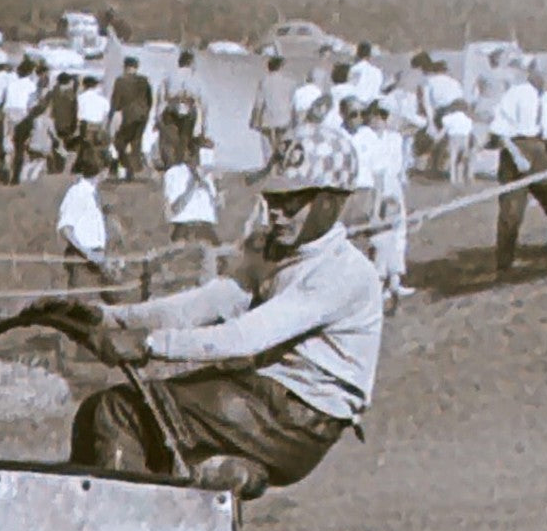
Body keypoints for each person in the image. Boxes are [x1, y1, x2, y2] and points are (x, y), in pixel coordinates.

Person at [51, 123, 382, 489]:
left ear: (330, 202)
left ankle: (120, 529)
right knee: (111, 422)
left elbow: (246, 336)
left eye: (293, 202)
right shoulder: (274, 251)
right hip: (263, 400)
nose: (278, 213)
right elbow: (206, 303)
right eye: (274, 199)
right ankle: (218, 481)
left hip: (296, 418)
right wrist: (111, 317)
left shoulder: (343, 272)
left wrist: (149, 344)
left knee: (116, 413)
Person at [489, 58, 547, 274]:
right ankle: (504, 264)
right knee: (512, 211)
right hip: (515, 151)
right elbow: (499, 130)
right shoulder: (517, 93)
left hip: (539, 152)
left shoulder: (546, 98)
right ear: (535, 74)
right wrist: (517, 156)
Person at [362, 99, 414, 302]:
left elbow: (416, 124)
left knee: (398, 232)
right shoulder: (366, 137)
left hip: (393, 185)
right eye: (376, 115)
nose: (380, 120)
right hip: (376, 186)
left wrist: (396, 118)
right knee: (380, 235)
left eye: (384, 116)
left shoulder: (394, 138)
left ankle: (395, 280)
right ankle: (379, 283)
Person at [57, 146, 125, 299]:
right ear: (103, 171)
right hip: (82, 259)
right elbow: (66, 229)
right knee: (82, 305)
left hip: (97, 259)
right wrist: (87, 253)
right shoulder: (77, 192)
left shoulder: (93, 194)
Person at [163, 139, 220, 244]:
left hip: (206, 228)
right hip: (185, 228)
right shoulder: (174, 174)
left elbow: (215, 207)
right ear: (190, 154)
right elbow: (173, 208)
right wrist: (191, 184)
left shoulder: (208, 177)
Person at [159, 50, 206, 168]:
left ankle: (171, 163)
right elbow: (199, 98)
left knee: (171, 139)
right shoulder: (194, 77)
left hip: (172, 109)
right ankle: (179, 164)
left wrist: (158, 115)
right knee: (184, 138)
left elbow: (162, 96)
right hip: (188, 110)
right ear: (190, 62)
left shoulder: (169, 75)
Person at [110, 55, 155, 180]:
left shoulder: (120, 81)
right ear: (136, 67)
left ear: (125, 67)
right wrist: (146, 111)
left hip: (127, 115)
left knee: (120, 141)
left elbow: (115, 101)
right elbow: (150, 99)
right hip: (142, 115)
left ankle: (127, 165)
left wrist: (111, 117)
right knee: (136, 141)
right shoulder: (144, 80)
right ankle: (134, 168)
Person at [251, 54, 296, 168]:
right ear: (281, 67)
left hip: (268, 120)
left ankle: (270, 170)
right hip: (284, 119)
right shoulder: (290, 83)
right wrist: (295, 121)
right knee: (283, 147)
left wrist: (254, 120)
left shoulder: (264, 82)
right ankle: (282, 168)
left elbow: (259, 103)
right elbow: (293, 104)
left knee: (268, 150)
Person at [0, 58, 39, 184]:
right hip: (22, 114)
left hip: (9, 112)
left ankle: (6, 166)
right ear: (31, 72)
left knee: (8, 142)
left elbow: (4, 99)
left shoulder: (11, 84)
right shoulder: (31, 85)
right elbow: (32, 104)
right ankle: (16, 175)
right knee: (20, 146)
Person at [76, 75, 112, 166]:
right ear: (96, 86)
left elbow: (76, 113)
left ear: (83, 85)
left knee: (85, 147)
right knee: (98, 146)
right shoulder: (102, 100)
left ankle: (85, 164)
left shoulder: (80, 98)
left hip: (84, 125)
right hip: (98, 125)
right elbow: (107, 113)